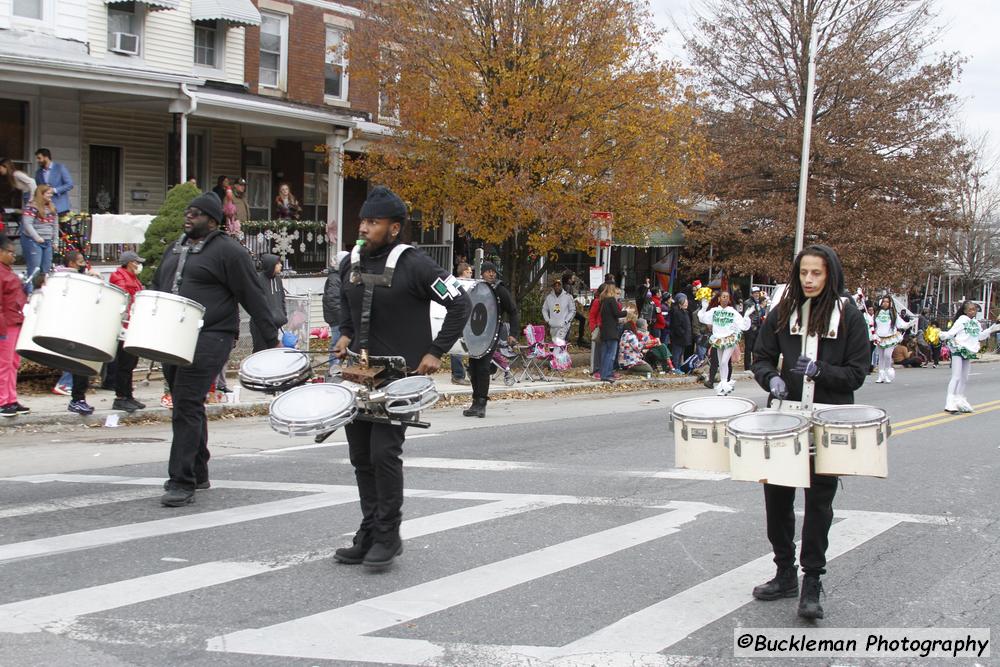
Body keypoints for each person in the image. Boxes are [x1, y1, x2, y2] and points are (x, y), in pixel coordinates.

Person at [332, 186, 470, 568]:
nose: (364, 228)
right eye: (363, 220)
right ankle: (370, 530)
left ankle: (388, 535)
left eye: (373, 223)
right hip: (360, 375)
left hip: (401, 376)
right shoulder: (352, 262)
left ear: (394, 229)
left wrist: (435, 351)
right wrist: (345, 331)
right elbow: (344, 299)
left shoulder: (417, 265)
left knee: (383, 453)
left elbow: (461, 302)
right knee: (361, 456)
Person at [751, 244, 871, 621]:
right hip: (785, 418)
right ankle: (784, 571)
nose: (809, 280)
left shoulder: (850, 316)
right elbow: (761, 357)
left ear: (830, 274)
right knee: (777, 498)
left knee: (819, 503)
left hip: (828, 420)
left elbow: (857, 373)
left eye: (816, 273)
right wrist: (770, 379)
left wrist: (820, 371)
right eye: (804, 273)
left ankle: (812, 581)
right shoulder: (783, 311)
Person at [152, 192, 280, 507]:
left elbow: (253, 295)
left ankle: (181, 482)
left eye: (196, 213)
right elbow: (157, 287)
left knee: (187, 401)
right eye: (187, 211)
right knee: (185, 403)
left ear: (213, 220)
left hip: (212, 334)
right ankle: (198, 470)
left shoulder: (229, 251)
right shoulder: (175, 248)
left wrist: (271, 338)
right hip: (173, 334)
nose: (188, 216)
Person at [463, 261, 517, 417]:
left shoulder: (500, 290)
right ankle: (475, 402)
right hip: (475, 335)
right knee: (473, 368)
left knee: (483, 368)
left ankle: (482, 403)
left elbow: (513, 311)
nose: (492, 274)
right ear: (482, 274)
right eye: (488, 271)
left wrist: (513, 333)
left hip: (491, 334)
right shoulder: (477, 289)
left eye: (493, 271)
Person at [53, 251, 101, 415]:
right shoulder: (68, 278)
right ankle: (77, 399)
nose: (83, 264)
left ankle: (78, 398)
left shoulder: (72, 277)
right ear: (72, 263)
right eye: (80, 261)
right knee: (78, 366)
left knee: (80, 366)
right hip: (73, 326)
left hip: (79, 325)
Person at [939, 301, 1000, 413]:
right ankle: (950, 401)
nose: (973, 311)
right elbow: (951, 333)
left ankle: (960, 399)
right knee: (956, 376)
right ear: (965, 311)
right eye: (970, 309)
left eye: (974, 309)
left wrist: (991, 329)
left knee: (965, 377)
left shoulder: (976, 323)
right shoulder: (961, 320)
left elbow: (980, 336)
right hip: (958, 349)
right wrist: (942, 334)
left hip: (968, 351)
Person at [109, 251, 146, 413]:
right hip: (123, 324)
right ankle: (120, 397)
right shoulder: (119, 277)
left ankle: (128, 395)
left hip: (133, 323)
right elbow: (123, 296)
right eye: (137, 262)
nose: (139, 265)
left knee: (131, 362)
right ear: (130, 263)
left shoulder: (133, 278)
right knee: (124, 362)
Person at [698, 290, 752, 395]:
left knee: (724, 362)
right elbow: (703, 318)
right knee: (720, 362)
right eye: (723, 296)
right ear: (719, 299)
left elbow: (743, 326)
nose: (725, 298)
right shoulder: (714, 311)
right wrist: (704, 308)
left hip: (730, 339)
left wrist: (746, 316)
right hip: (718, 339)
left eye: (727, 297)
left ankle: (724, 383)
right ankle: (723, 385)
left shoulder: (732, 312)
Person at [0, 235, 29, 418]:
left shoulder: (7, 270)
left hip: (15, 321)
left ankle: (11, 398)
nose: (13, 255)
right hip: (6, 325)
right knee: (4, 364)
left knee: (13, 363)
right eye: (10, 252)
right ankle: (3, 401)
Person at [19, 184, 58, 292]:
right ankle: (30, 293)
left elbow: (55, 225)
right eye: (48, 193)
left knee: (46, 269)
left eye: (51, 193)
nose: (51, 195)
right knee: (34, 268)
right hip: (33, 241)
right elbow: (27, 224)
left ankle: (42, 291)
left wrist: (55, 241)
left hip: (48, 241)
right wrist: (37, 237)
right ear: (41, 194)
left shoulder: (52, 207)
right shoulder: (32, 206)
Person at [251, 254, 288, 353]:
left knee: (273, 353)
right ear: (271, 265)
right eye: (278, 263)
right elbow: (256, 304)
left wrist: (283, 315)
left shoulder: (278, 280)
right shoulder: (258, 280)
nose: (281, 265)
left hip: (275, 325)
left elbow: (282, 299)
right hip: (260, 326)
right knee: (261, 353)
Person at [322, 249, 351, 368]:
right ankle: (333, 370)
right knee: (337, 344)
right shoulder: (335, 278)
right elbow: (333, 300)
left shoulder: (341, 276)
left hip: (342, 319)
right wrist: (344, 319)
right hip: (337, 319)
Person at [449, 262, 473, 385]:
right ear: (462, 272)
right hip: (458, 318)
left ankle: (468, 371)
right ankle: (458, 375)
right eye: (468, 271)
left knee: (469, 346)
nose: (470, 273)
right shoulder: (458, 284)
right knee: (457, 347)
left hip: (467, 318)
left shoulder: (469, 284)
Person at [872, 296, 903, 383]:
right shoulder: (877, 313)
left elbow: (900, 324)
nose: (885, 303)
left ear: (890, 303)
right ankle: (881, 376)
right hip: (880, 337)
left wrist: (908, 324)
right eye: (884, 302)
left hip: (890, 338)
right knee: (880, 357)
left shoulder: (893, 314)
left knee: (887, 355)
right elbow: (873, 324)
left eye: (887, 302)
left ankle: (888, 371)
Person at [33, 149, 74, 217]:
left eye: (39, 158)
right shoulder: (38, 173)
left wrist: (54, 190)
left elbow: (70, 184)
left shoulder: (60, 168)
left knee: (63, 227)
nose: (37, 160)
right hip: (46, 209)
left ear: (46, 157)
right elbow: (39, 190)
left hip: (61, 207)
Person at [598, 285, 626, 382]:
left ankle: (603, 374)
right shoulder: (611, 300)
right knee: (611, 354)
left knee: (605, 353)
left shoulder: (603, 302)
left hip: (605, 331)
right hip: (612, 332)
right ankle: (607, 374)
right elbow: (617, 313)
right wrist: (627, 312)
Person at [542, 278, 575, 343]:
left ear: (561, 286)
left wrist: (566, 321)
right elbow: (544, 309)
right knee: (555, 345)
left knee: (558, 343)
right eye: (555, 285)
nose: (557, 287)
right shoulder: (549, 297)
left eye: (558, 285)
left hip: (563, 326)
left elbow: (572, 310)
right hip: (553, 326)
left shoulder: (568, 297)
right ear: (553, 287)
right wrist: (548, 320)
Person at [743, 286, 768, 370]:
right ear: (752, 294)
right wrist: (752, 325)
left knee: (755, 347)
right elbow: (747, 315)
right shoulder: (748, 302)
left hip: (758, 327)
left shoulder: (758, 302)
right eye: (755, 293)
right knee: (748, 348)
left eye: (758, 293)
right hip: (750, 328)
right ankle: (747, 366)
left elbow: (760, 314)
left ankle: (754, 364)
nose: (757, 294)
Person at [669, 293, 691, 373]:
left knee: (681, 353)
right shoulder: (677, 312)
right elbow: (676, 326)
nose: (686, 303)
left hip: (684, 338)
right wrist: (683, 333)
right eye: (685, 302)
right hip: (679, 338)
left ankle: (678, 367)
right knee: (677, 353)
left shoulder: (685, 312)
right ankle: (675, 368)